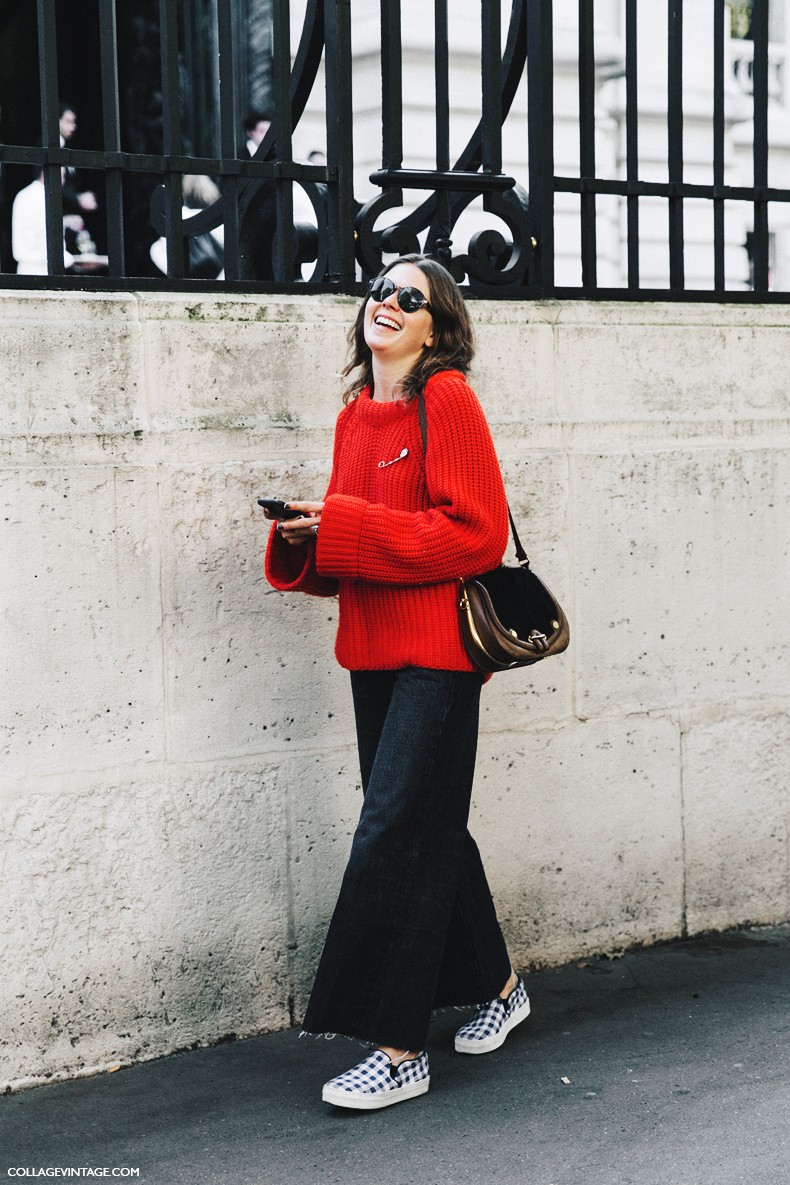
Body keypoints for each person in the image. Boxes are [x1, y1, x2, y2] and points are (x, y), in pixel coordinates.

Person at [263, 253, 530, 1111]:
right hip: (373, 651)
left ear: (436, 325)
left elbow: (475, 536)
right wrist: (311, 538)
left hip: (442, 655)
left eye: (409, 297)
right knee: (425, 823)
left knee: (392, 832)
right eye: (379, 289)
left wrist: (349, 523)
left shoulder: (444, 398)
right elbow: (359, 552)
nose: (388, 301)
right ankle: (500, 988)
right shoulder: (354, 419)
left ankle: (398, 1045)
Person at [11, 167, 74, 275]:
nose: (63, 182)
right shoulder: (41, 197)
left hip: (28, 266)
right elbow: (45, 233)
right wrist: (67, 259)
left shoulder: (25, 194)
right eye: (62, 177)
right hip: (39, 268)